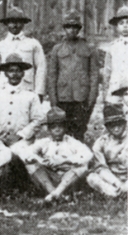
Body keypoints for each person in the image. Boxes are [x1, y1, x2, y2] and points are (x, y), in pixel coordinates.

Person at [48, 10, 99, 141]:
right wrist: (54, 101)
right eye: (68, 27)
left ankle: (80, 159)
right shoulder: (57, 49)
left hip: (81, 98)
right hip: (62, 98)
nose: (72, 30)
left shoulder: (89, 48)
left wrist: (91, 99)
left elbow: (94, 75)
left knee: (79, 131)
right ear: (64, 28)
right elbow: (52, 75)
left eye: (75, 27)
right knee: (61, 132)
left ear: (79, 29)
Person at [22, 107, 92, 202]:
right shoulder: (44, 142)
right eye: (53, 127)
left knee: (82, 167)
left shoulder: (72, 142)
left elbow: (87, 154)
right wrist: (40, 160)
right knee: (31, 165)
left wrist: (64, 160)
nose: (57, 130)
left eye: (60, 126)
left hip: (67, 178)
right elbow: (26, 152)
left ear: (65, 127)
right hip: (50, 178)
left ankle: (56, 194)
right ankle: (55, 194)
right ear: (49, 129)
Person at [0, 53, 44, 155]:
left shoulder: (31, 96)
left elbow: (38, 120)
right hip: (0, 139)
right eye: (11, 71)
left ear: (23, 73)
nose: (14, 74)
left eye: (18, 71)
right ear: (6, 73)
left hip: (23, 140)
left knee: (20, 158)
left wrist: (20, 135)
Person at [0, 7, 46, 102]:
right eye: (11, 22)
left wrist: (39, 92)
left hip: (27, 90)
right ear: (6, 24)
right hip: (4, 91)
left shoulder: (33, 44)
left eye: (18, 22)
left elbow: (41, 69)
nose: (15, 25)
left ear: (23, 24)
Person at [86, 104, 127, 197]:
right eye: (112, 125)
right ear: (107, 126)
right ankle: (115, 193)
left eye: (119, 124)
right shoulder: (101, 142)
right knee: (91, 178)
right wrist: (116, 182)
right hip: (112, 178)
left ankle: (121, 192)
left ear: (124, 123)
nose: (116, 128)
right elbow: (100, 167)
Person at [104, 6, 128, 104]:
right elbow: (107, 71)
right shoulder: (112, 47)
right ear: (117, 27)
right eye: (121, 23)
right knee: (115, 117)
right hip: (115, 90)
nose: (125, 26)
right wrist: (106, 92)